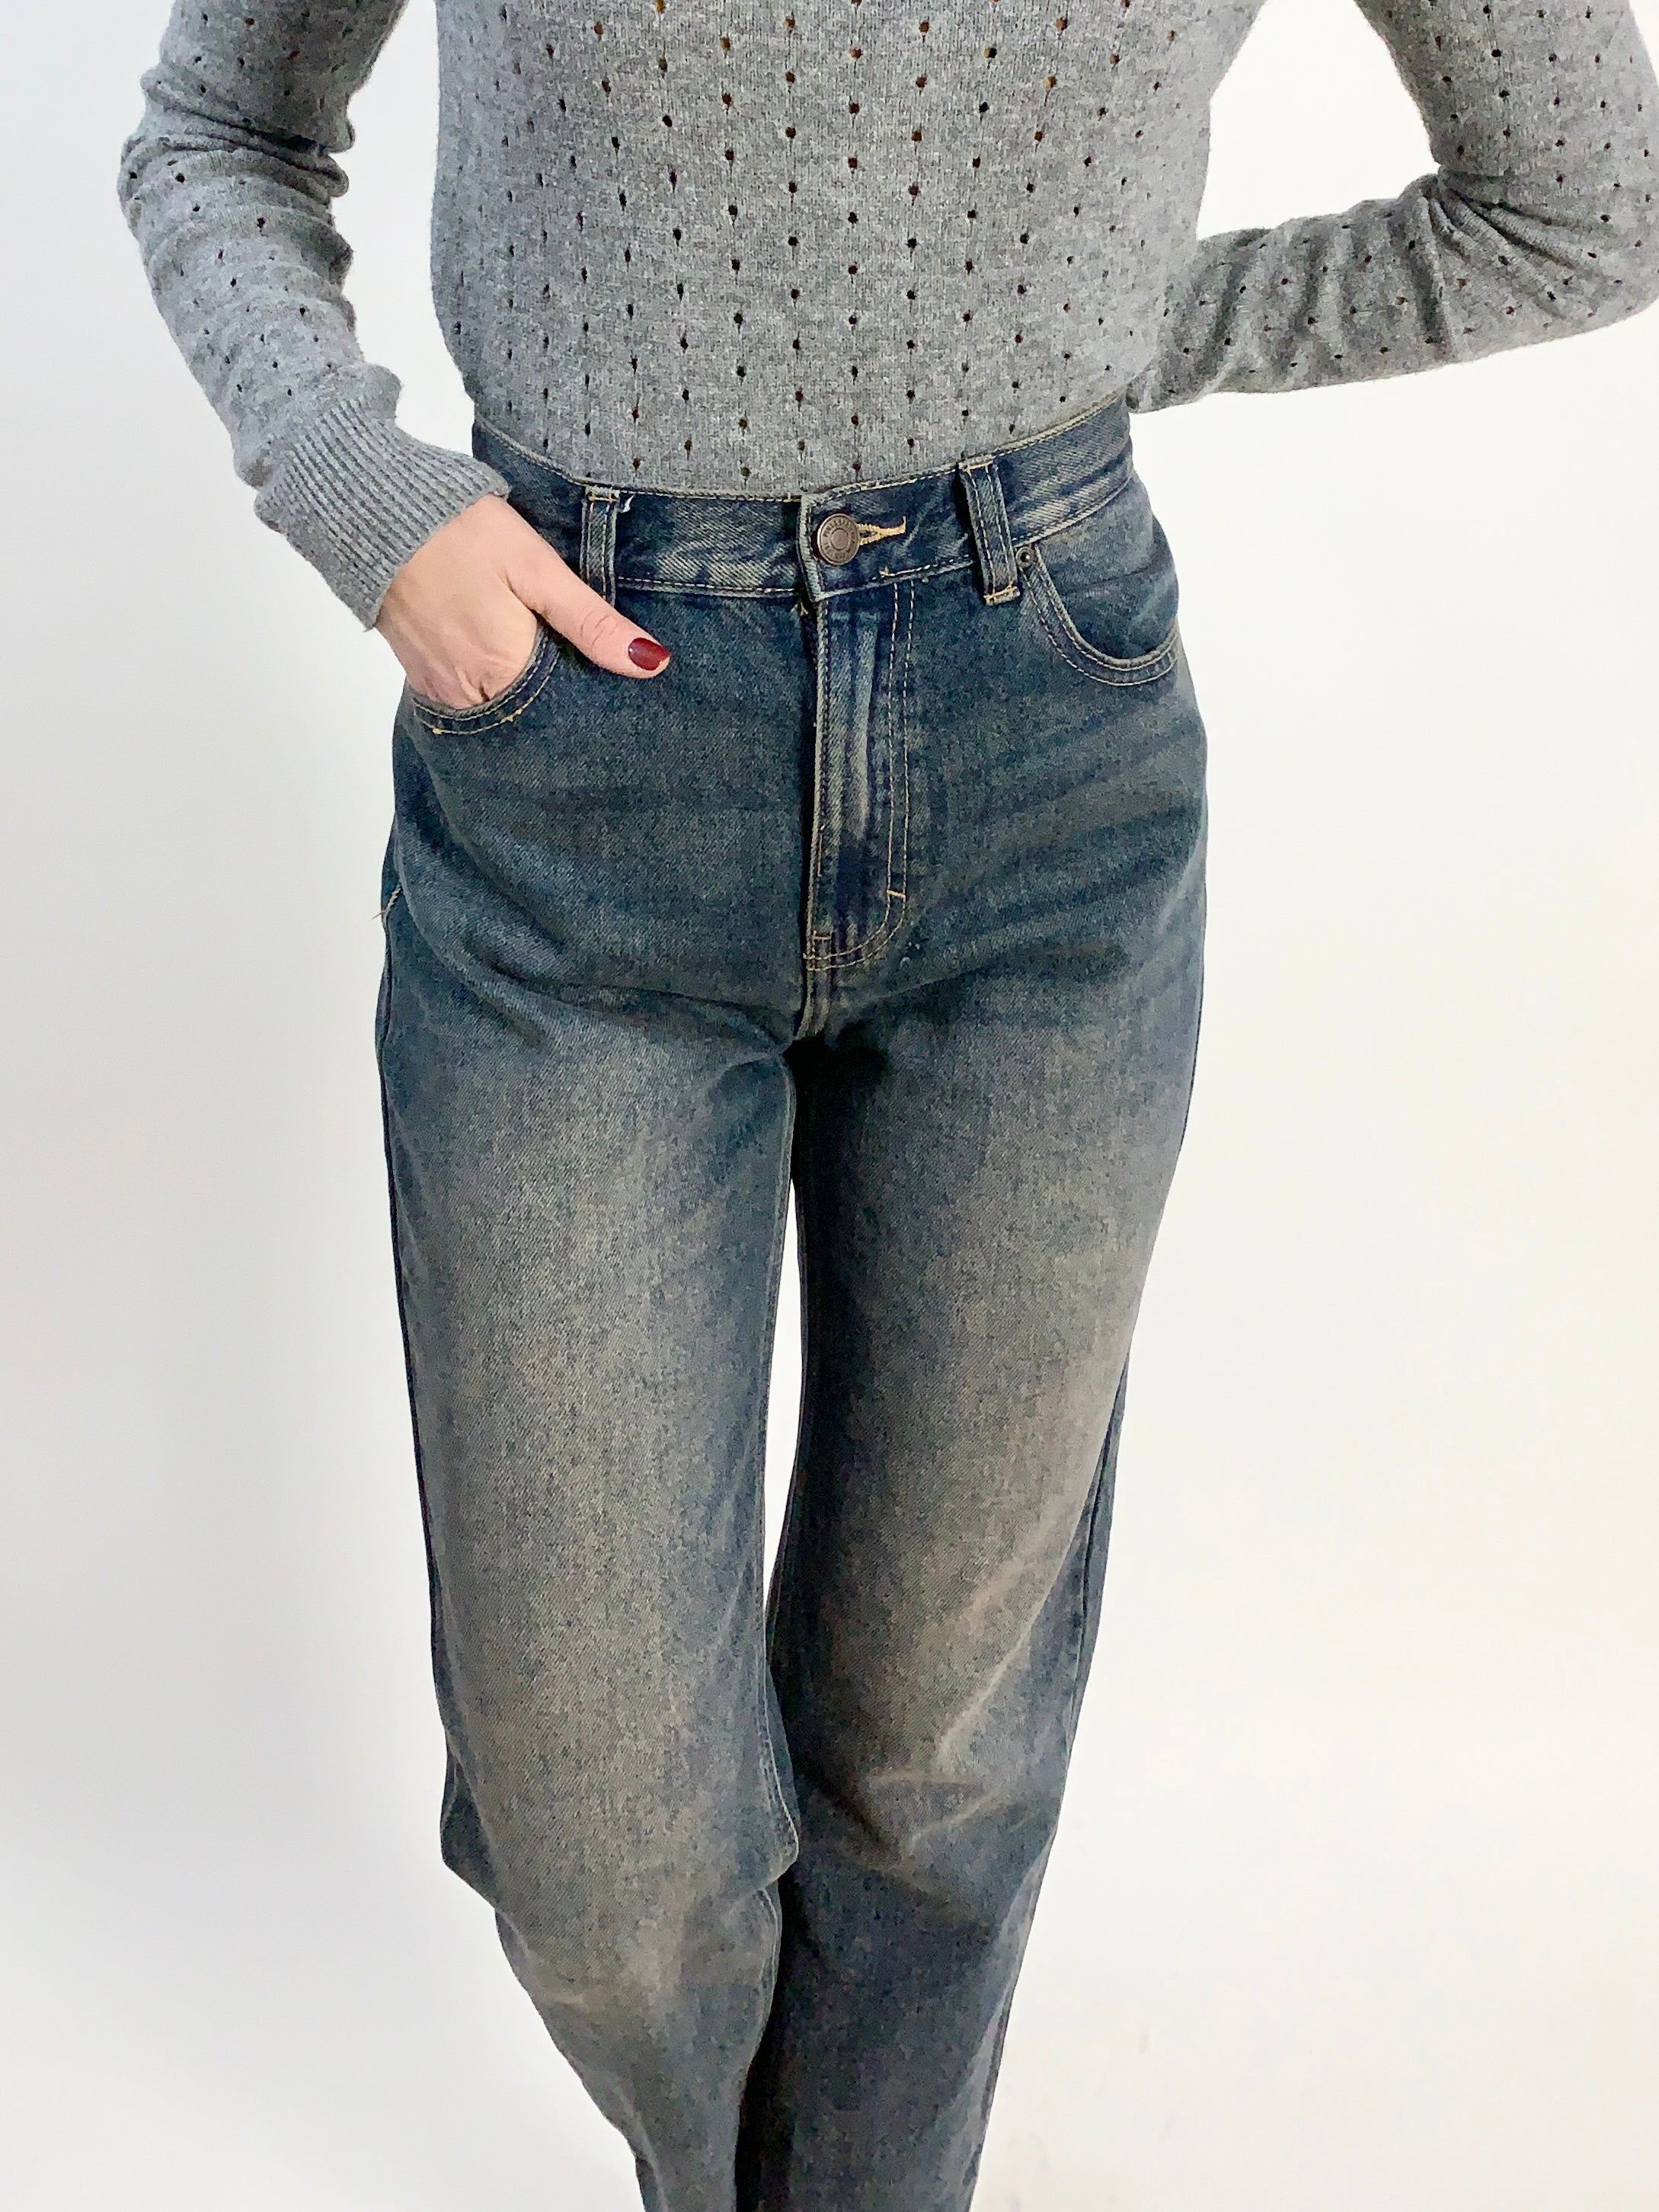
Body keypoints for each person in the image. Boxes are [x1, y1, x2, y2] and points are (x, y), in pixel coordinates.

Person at [117, 5, 1658, 2207]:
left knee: (933, 1751)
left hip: (1044, 751)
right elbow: (218, 130)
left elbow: (1584, 204)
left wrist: (1092, 331)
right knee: (601, 1851)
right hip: (575, 768)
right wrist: (369, 504)